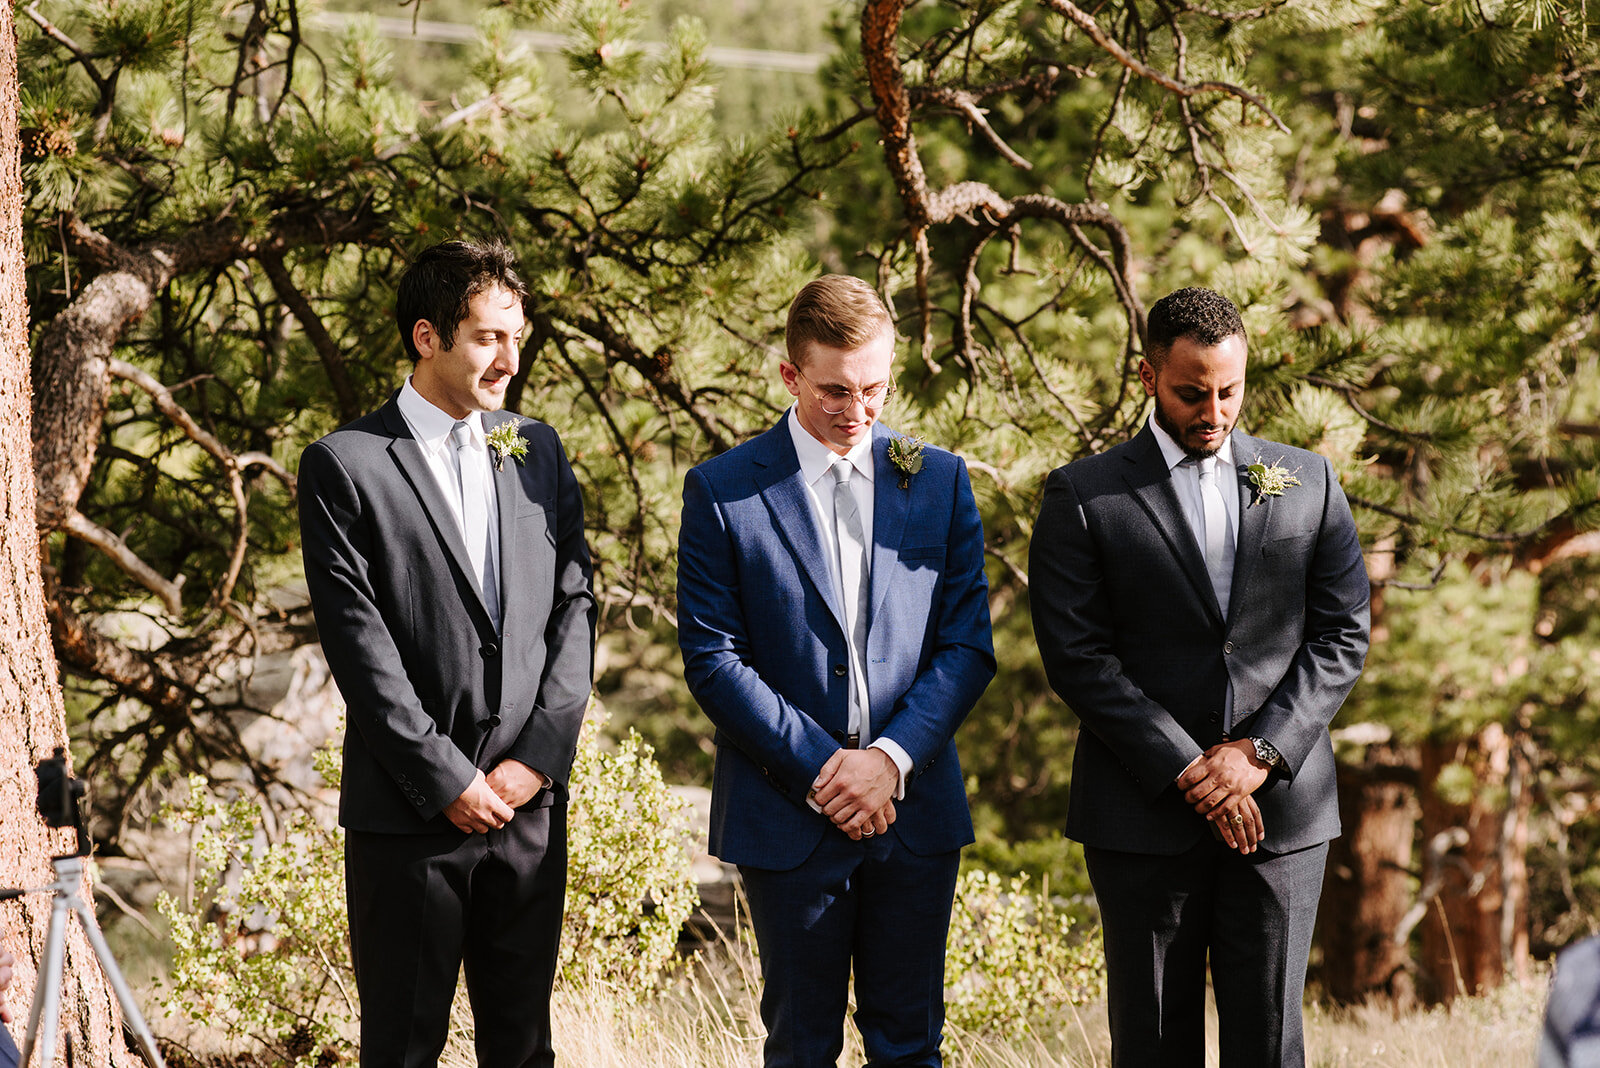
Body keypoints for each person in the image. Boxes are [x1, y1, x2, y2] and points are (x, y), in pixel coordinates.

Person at [1029, 286, 1370, 1067]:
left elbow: (1343, 631)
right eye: (1191, 393)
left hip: (1281, 813)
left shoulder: (1307, 480)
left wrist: (1257, 754)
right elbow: (1077, 658)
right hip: (1142, 817)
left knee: (1271, 1045)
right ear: (1149, 377)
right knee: (1151, 1045)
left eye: (1229, 391)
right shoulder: (1083, 496)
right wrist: (1189, 768)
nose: (1213, 411)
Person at [677, 274, 995, 1067]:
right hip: (788, 817)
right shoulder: (722, 491)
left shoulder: (941, 479)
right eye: (835, 392)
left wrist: (887, 763)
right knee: (799, 1047)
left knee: (913, 1045)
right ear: (790, 376)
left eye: (876, 389)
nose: (857, 411)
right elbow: (713, 659)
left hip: (913, 812)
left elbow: (966, 646)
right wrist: (830, 770)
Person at [299, 239, 595, 1068]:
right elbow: (359, 647)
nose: (509, 358)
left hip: (529, 813)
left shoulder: (538, 449)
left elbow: (575, 605)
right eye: (487, 338)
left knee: (524, 1048)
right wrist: (447, 779)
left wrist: (537, 759)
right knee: (400, 1050)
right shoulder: (345, 465)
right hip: (409, 819)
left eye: (517, 336)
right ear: (427, 337)